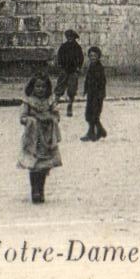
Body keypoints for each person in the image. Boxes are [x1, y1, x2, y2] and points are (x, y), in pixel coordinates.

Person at [18, 72, 62, 202]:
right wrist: (32, 120)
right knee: (34, 165)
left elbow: (56, 115)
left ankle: (41, 189)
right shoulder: (28, 102)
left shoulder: (50, 101)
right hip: (33, 139)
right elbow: (22, 118)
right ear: (32, 87)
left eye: (43, 87)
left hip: (46, 139)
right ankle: (35, 190)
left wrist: (51, 118)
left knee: (43, 166)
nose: (40, 89)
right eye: (37, 86)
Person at [53, 28, 85, 117]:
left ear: (74, 38)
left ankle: (70, 106)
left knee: (72, 89)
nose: (70, 38)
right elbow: (59, 56)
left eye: (71, 37)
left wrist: (78, 68)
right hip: (64, 70)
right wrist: (60, 65)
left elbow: (81, 58)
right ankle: (55, 104)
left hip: (73, 71)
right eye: (68, 37)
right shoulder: (63, 46)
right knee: (60, 86)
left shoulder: (77, 47)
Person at [81, 46, 108, 141]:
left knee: (94, 114)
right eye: (91, 55)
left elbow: (103, 82)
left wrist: (100, 93)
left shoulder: (100, 68)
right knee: (89, 114)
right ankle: (101, 131)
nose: (92, 57)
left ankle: (92, 133)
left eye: (95, 56)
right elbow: (87, 79)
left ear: (98, 56)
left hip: (97, 95)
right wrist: (85, 90)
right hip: (91, 94)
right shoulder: (90, 66)